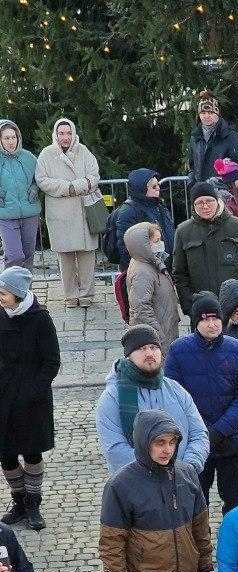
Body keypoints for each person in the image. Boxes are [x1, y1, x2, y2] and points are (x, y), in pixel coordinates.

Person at [99, 410, 215, 572]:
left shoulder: (187, 474)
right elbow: (111, 545)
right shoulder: (120, 485)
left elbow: (200, 530)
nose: (167, 449)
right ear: (144, 442)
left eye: (172, 442)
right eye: (159, 442)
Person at [164, 292, 238, 512]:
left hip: (231, 441)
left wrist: (219, 430)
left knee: (236, 505)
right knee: (194, 504)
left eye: (216, 318)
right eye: (206, 319)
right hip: (193, 443)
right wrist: (202, 432)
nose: (212, 324)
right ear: (196, 322)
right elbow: (174, 397)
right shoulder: (178, 350)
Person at [96, 325, 209, 477]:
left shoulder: (175, 390)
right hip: (136, 484)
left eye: (153, 347)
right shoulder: (112, 397)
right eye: (141, 349)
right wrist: (156, 474)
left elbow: (199, 434)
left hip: (182, 479)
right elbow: (114, 449)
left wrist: (188, 467)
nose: (149, 353)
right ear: (128, 356)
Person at [0, 267, 59, 531]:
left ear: (17, 294)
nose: (0, 297)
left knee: (32, 452)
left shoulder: (40, 319)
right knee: (6, 454)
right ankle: (19, 502)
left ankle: (33, 504)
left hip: (32, 400)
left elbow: (51, 362)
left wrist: (31, 392)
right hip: (3, 397)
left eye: (3, 293)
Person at [34, 118, 100, 305]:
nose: (65, 137)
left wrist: (78, 185)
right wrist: (67, 188)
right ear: (55, 134)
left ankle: (86, 295)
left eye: (69, 133)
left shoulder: (83, 151)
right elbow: (42, 180)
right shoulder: (47, 154)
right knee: (65, 256)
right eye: (61, 133)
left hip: (83, 210)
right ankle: (71, 295)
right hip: (60, 213)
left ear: (74, 133)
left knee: (87, 255)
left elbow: (94, 175)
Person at [171, 185, 238, 317]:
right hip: (201, 309)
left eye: (209, 201)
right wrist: (189, 306)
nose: (205, 206)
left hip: (236, 306)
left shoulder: (237, 226)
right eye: (199, 203)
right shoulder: (183, 231)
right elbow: (180, 273)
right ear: (193, 206)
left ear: (218, 201)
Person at [123, 221, 184, 348]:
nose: (160, 244)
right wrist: (157, 335)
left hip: (165, 327)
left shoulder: (150, 262)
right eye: (156, 241)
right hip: (159, 335)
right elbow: (141, 309)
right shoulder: (142, 272)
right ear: (144, 245)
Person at [109, 168, 176, 268]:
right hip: (144, 269)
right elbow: (125, 248)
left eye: (158, 185)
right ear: (142, 188)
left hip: (163, 266)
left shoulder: (159, 206)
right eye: (154, 186)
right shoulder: (128, 212)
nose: (158, 188)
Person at [187, 90, 238, 184]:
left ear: (217, 114)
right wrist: (191, 183)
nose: (206, 116)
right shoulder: (195, 138)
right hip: (200, 189)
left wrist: (231, 180)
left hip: (223, 188)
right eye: (203, 113)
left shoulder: (231, 136)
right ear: (199, 115)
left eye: (210, 113)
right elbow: (192, 165)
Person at [0, 120, 40, 269]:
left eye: (13, 137)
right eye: (6, 138)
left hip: (30, 213)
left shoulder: (29, 157)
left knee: (28, 255)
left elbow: (40, 178)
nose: (11, 141)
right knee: (14, 256)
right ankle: (8, 285)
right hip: (5, 214)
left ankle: (26, 285)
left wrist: (35, 188)